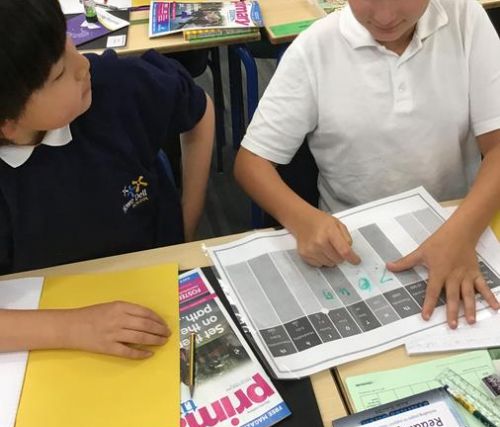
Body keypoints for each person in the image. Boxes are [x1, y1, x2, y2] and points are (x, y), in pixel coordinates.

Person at [234, 0, 500, 329]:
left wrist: (461, 235)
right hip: (354, 243)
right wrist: (302, 219)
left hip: (462, 220)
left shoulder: (464, 18)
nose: (385, 17)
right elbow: (252, 162)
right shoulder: (316, 48)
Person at [0, 0, 214, 357]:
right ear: (7, 123)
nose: (83, 64)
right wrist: (72, 327)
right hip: (46, 326)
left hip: (155, 283)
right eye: (59, 74)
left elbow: (199, 109)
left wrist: (187, 223)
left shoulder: (115, 85)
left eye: (68, 42)